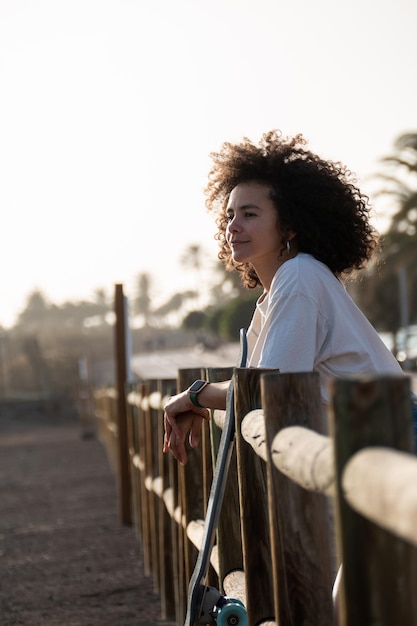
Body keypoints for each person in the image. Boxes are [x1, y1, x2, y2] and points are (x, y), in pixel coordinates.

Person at [163, 130, 417, 465]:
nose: (233, 226)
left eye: (249, 214)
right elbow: (258, 382)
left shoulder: (299, 277)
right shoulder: (279, 290)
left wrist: (196, 396)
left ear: (289, 226)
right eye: (230, 215)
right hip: (377, 442)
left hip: (397, 442)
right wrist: (202, 401)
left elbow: (272, 388)